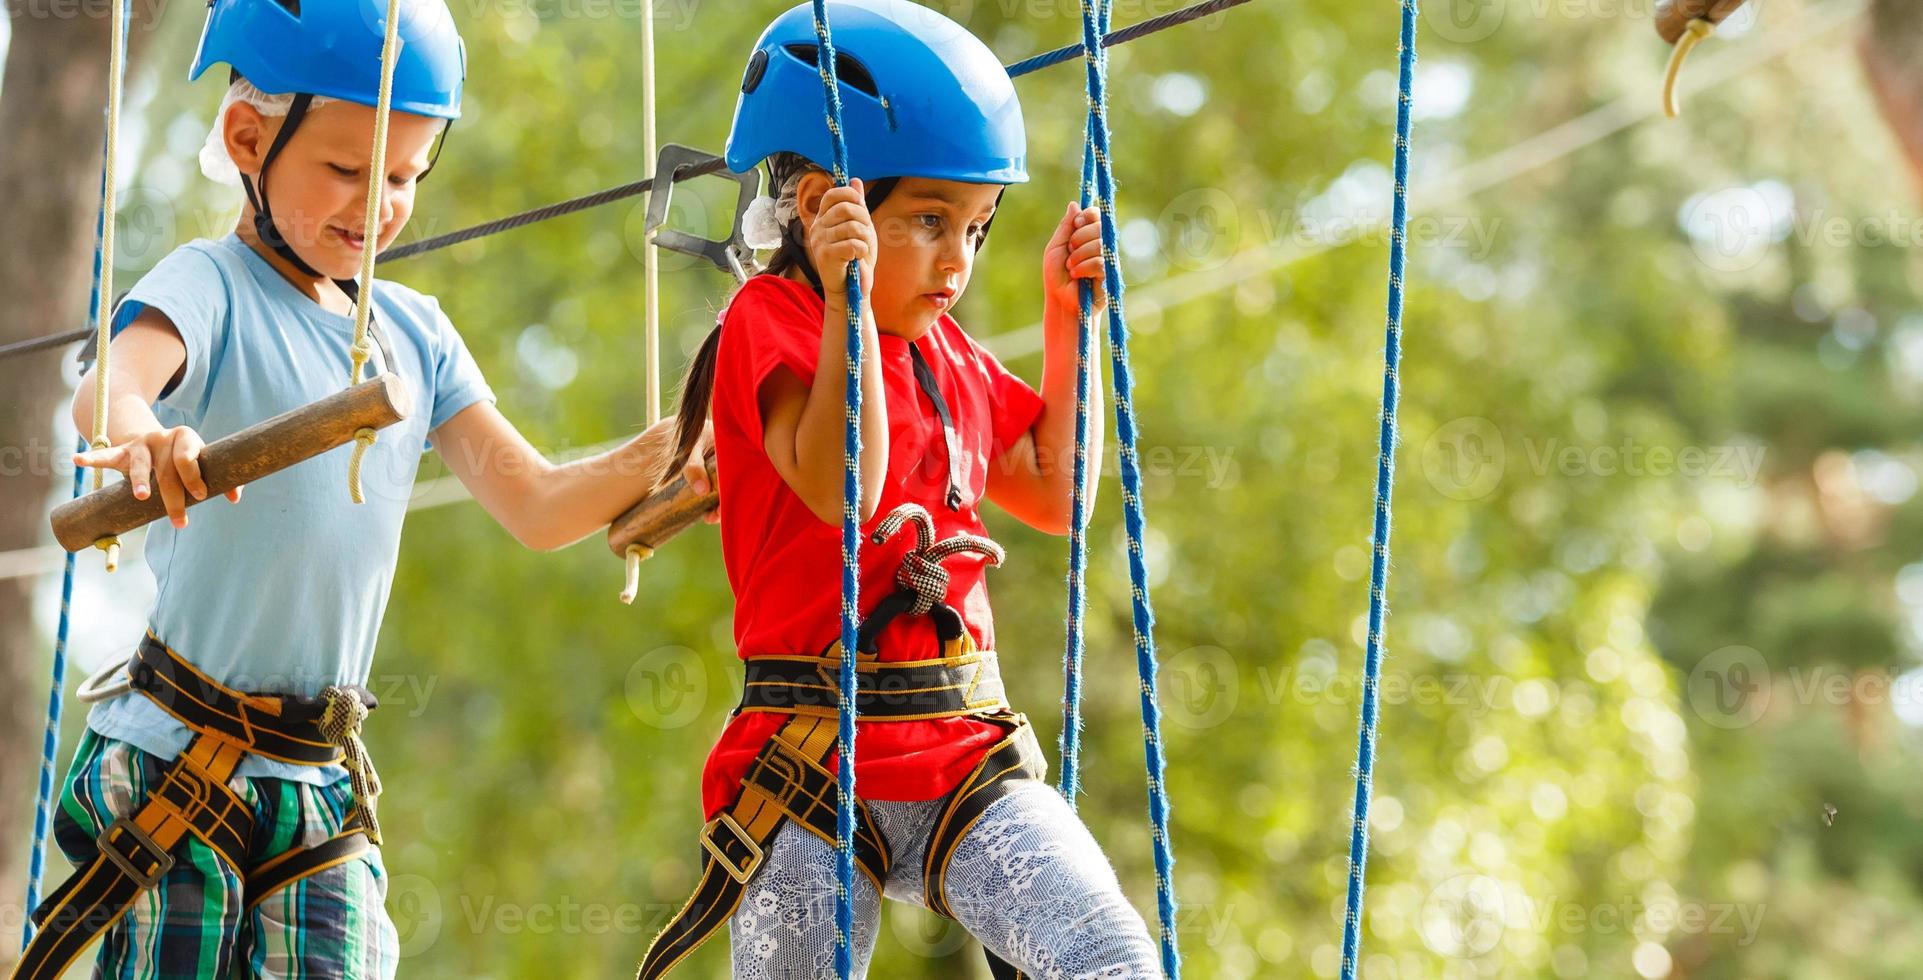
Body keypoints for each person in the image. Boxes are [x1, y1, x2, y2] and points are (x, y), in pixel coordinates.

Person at [19, 1, 709, 977]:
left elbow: (540, 501)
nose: (379, 203)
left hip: (317, 777)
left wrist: (683, 441)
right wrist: (143, 435)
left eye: (404, 176)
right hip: (177, 750)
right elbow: (113, 384)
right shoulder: (209, 284)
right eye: (347, 170)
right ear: (247, 138)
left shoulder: (417, 335)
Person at [638, 2, 1161, 976]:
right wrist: (846, 297)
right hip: (804, 765)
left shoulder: (945, 350)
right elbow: (848, 486)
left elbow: (1054, 496)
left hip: (961, 750)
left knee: (1108, 954)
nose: (958, 261)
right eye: (930, 221)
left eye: (976, 227)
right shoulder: (775, 319)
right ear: (824, 206)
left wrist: (1065, 318)